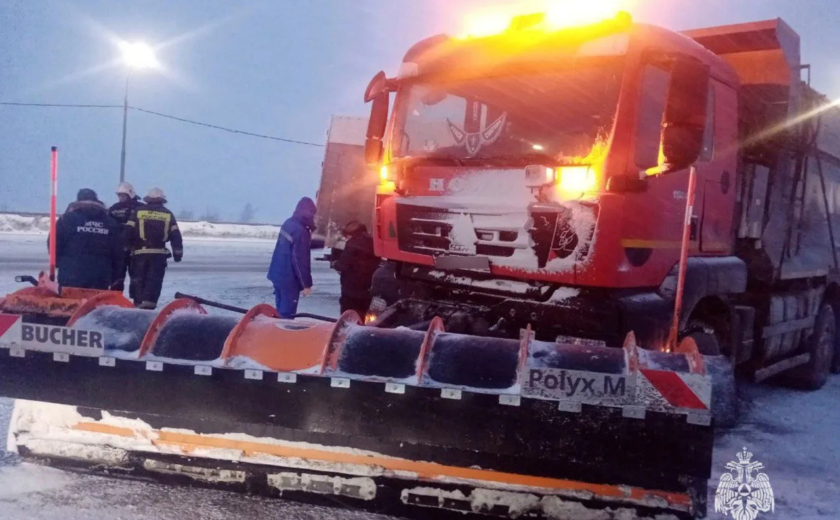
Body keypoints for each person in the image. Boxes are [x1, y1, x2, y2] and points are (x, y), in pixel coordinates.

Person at [53, 188, 123, 290]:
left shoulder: (66, 220)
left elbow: (54, 244)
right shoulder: (110, 222)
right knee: (97, 300)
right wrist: (116, 277)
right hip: (100, 275)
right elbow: (118, 252)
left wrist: (60, 263)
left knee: (70, 299)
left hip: (71, 273)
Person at [125, 188, 183, 309]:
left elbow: (128, 231)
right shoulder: (167, 214)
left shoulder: (138, 212)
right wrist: (177, 254)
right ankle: (149, 303)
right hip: (158, 254)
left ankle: (138, 303)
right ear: (162, 200)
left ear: (148, 199)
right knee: (154, 280)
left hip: (139, 253)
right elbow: (175, 235)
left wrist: (124, 248)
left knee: (138, 279)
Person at [267, 197, 316, 318]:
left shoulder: (288, 223)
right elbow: (300, 260)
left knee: (280, 311)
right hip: (289, 279)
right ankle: (282, 329)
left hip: (277, 274)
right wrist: (306, 284)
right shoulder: (301, 231)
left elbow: (290, 248)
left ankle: (277, 327)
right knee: (286, 315)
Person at [333, 221, 379, 318]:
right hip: (367, 288)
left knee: (348, 315)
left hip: (351, 288)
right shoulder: (373, 242)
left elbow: (342, 265)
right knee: (362, 314)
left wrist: (335, 263)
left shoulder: (352, 244)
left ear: (350, 233)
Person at [108, 182, 144, 297]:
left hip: (135, 248)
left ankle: (137, 299)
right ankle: (115, 298)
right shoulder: (114, 208)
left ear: (130, 195)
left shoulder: (141, 208)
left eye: (123, 195)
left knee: (136, 277)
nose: (121, 198)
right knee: (117, 276)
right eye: (119, 195)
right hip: (119, 249)